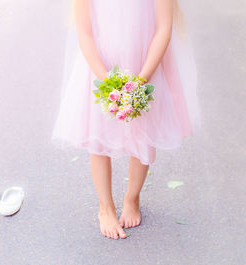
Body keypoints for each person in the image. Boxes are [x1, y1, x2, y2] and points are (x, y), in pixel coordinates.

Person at [51, 0, 201, 240]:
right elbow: (85, 33)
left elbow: (164, 28)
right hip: (101, 70)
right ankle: (105, 207)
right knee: (97, 137)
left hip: (145, 66)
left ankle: (132, 197)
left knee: (143, 132)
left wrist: (141, 81)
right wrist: (108, 83)